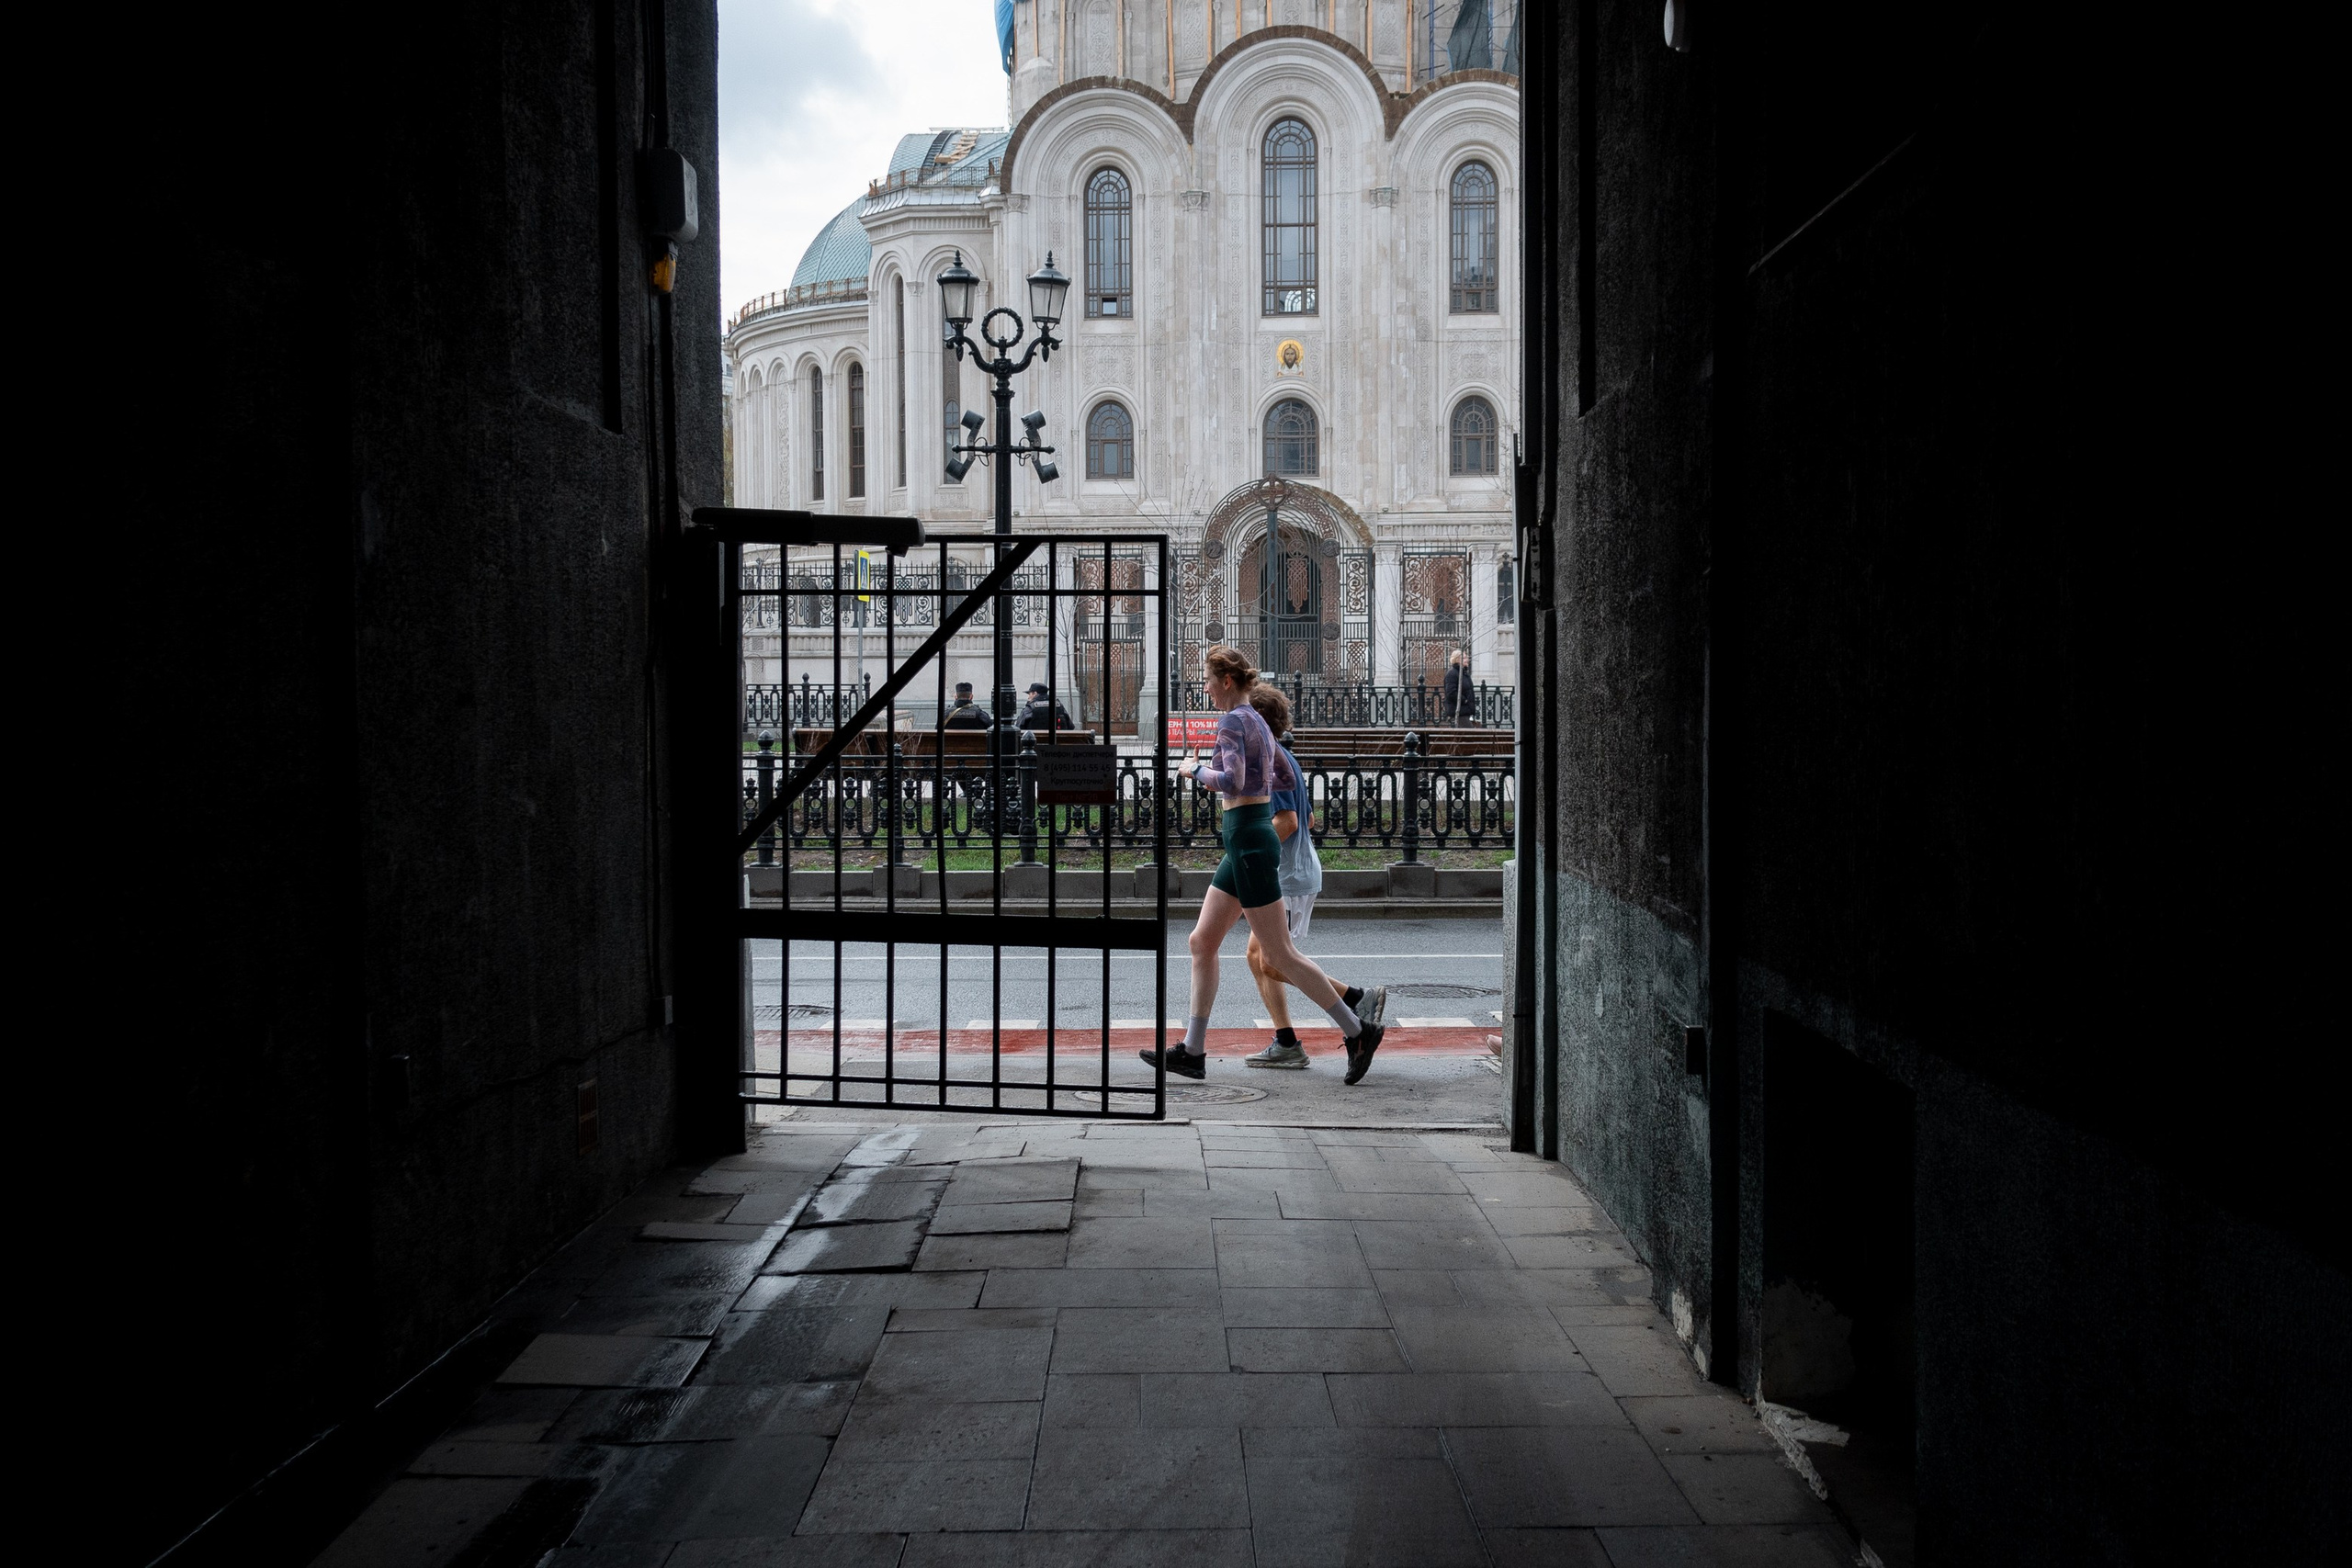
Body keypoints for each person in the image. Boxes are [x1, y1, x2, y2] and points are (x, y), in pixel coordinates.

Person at [1141, 646, 1386, 1084]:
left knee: (1279, 954)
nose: (1206, 687)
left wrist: (1192, 770)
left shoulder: (1235, 719)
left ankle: (1358, 1031)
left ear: (1227, 681)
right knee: (1201, 941)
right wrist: (1253, 782)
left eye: (1209, 679)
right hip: (1245, 837)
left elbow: (1231, 781)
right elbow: (1285, 777)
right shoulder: (1256, 721)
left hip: (1249, 839)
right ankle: (1193, 1051)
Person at [1240, 683, 1386, 1070]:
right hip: (1289, 872)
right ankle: (1287, 1042)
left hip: (1287, 877)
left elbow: (1288, 822)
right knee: (1259, 957)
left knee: (1273, 961)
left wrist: (1249, 848)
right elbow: (1307, 818)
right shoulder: (1278, 756)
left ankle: (1356, 1000)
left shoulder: (1272, 762)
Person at [1442, 647, 1476, 726]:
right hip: (1459, 711)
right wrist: (1464, 700)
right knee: (1469, 735)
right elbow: (1451, 693)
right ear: (1457, 660)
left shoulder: (1464, 673)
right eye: (1464, 658)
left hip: (1465, 711)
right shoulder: (1452, 673)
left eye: (1466, 657)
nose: (1467, 660)